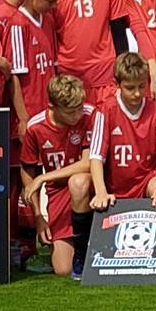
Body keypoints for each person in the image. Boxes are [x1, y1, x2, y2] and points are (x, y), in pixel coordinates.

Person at [89, 53, 156, 264]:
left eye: (141, 86)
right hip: (114, 182)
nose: (137, 93)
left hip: (145, 176)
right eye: (130, 88)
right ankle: (83, 252)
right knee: (78, 184)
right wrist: (101, 191)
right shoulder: (106, 110)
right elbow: (95, 157)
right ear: (117, 84)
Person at [16, 74, 100, 275]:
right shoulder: (35, 128)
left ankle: (87, 242)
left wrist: (44, 177)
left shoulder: (91, 115)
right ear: (52, 107)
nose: (78, 115)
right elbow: (28, 171)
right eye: (71, 112)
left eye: (80, 107)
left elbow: (89, 163)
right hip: (58, 193)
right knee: (63, 269)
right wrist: (38, 215)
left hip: (90, 185)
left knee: (78, 181)